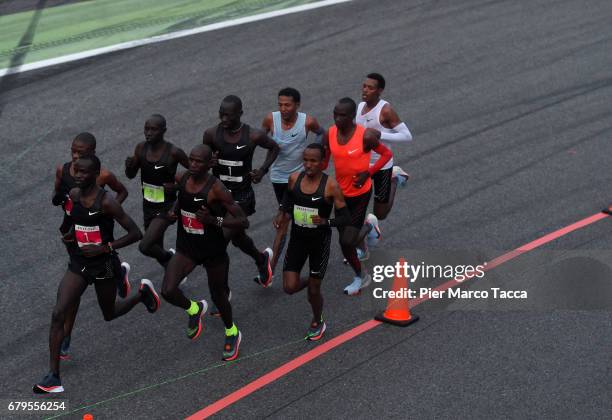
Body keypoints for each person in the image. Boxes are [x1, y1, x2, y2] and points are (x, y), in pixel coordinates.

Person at [34, 154, 159, 394]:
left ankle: (142, 293)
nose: (78, 176)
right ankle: (53, 377)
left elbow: (135, 233)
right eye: (76, 172)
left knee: (109, 313)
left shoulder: (107, 202)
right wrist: (71, 234)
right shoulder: (73, 196)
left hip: (105, 264)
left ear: (95, 174)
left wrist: (106, 247)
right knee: (59, 312)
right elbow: (76, 222)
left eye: (83, 173)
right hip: (79, 263)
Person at [161, 145, 249, 361]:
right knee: (168, 290)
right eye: (191, 160)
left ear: (209, 164)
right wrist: (174, 211)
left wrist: (213, 220)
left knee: (219, 297)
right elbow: (181, 199)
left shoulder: (216, 189)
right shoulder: (183, 179)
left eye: (198, 161)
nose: (193, 164)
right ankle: (194, 308)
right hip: (187, 247)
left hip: (212, 250)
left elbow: (242, 221)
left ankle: (232, 332)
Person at [51, 132, 129, 360]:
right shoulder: (62, 170)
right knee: (73, 289)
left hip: (97, 238)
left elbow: (122, 191)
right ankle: (66, 336)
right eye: (72, 151)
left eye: (81, 153)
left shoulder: (102, 176)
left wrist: (105, 213)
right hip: (71, 235)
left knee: (88, 282)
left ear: (92, 154)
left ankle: (117, 272)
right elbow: (57, 193)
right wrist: (57, 198)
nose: (75, 157)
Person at [202, 95, 279, 289]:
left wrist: (262, 170)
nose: (224, 119)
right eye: (222, 114)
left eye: (229, 115)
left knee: (220, 242)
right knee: (237, 238)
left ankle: (221, 293)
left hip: (241, 197)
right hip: (218, 197)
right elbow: (202, 158)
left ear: (240, 114)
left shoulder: (253, 135)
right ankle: (261, 259)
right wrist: (208, 163)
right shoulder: (211, 134)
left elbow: (274, 148)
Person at [276, 143, 350, 340]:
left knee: (313, 292)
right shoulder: (294, 179)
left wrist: (327, 221)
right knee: (289, 287)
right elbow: (288, 197)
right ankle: (313, 279)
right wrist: (282, 212)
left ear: (323, 163)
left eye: (313, 161)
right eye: (305, 160)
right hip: (298, 239)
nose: (308, 165)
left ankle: (318, 320)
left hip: (319, 242)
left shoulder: (331, 186)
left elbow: (345, 218)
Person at [322, 98, 393, 295]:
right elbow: (324, 161)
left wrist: (367, 173)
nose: (337, 118)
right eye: (335, 114)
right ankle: (369, 226)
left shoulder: (366, 136)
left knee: (347, 241)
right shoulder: (330, 133)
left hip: (360, 194)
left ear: (352, 117)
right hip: (340, 194)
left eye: (342, 115)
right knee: (344, 240)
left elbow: (386, 155)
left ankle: (361, 277)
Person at [261, 87, 324, 276]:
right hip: (278, 177)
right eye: (280, 104)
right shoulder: (270, 119)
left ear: (297, 105)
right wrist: (270, 145)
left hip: (300, 177)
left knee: (285, 218)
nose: (283, 108)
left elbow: (322, 133)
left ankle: (270, 269)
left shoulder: (308, 121)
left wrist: (314, 151)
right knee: (294, 217)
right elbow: (258, 137)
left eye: (287, 105)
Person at [356, 73, 413, 247]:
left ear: (379, 91)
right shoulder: (359, 107)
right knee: (355, 209)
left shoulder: (385, 110)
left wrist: (381, 134)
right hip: (361, 165)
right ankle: (358, 244)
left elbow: (407, 136)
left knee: (380, 213)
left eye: (370, 87)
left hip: (382, 165)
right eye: (364, 86)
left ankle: (395, 178)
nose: (365, 90)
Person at [125, 114, 189, 267]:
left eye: (153, 129)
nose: (148, 133)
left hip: (167, 207)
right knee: (155, 247)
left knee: (145, 246)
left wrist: (177, 187)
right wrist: (129, 166)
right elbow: (130, 175)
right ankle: (171, 276)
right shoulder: (141, 148)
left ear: (163, 131)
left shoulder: (174, 152)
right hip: (148, 204)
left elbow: (195, 173)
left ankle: (169, 258)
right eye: (146, 129)